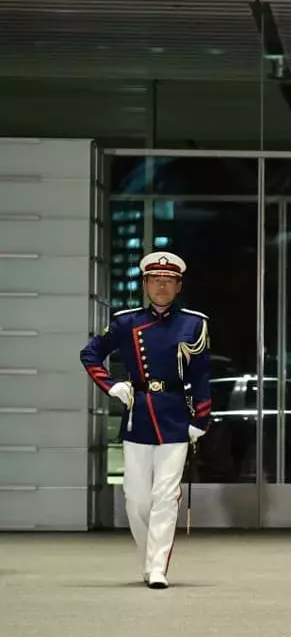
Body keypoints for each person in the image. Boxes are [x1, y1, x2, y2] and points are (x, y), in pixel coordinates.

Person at [79, 251, 211, 589]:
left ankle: (157, 568)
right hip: (139, 413)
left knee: (165, 496)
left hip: (175, 415)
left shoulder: (194, 323)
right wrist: (111, 385)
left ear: (179, 285)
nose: (161, 286)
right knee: (136, 497)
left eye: (168, 281)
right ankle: (149, 557)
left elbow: (201, 374)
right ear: (145, 284)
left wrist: (201, 417)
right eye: (155, 280)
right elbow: (90, 353)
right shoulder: (126, 321)